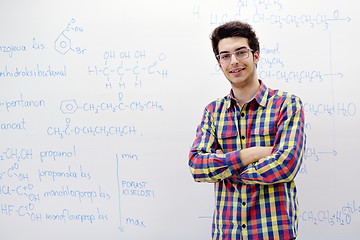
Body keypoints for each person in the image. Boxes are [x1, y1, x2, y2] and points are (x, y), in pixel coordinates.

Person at [188, 21, 305, 240]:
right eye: (225, 55)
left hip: (274, 233)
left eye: (241, 52)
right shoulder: (213, 112)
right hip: (227, 234)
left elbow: (286, 165)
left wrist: (226, 167)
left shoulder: (287, 105)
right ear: (219, 63)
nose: (234, 61)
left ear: (256, 55)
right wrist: (250, 154)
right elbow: (197, 166)